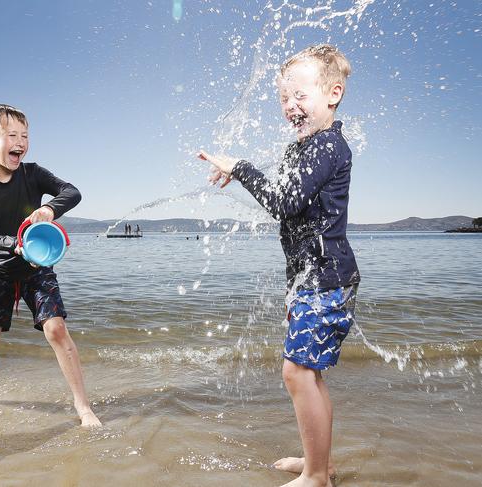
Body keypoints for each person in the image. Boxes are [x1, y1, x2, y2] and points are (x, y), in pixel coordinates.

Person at [199, 44, 360, 487]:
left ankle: (315, 477)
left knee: (296, 371)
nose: (291, 106)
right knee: (310, 373)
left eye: (300, 96)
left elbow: (284, 202)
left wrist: (243, 168)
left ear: (333, 94)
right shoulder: (309, 147)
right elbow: (288, 198)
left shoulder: (327, 145)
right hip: (317, 280)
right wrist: (242, 171)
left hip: (325, 280)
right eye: (284, 98)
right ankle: (320, 464)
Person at [0, 104, 101, 427]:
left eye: (25, 135)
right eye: (12, 135)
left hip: (38, 267)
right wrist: (16, 244)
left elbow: (73, 192)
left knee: (57, 328)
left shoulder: (34, 173)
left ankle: (83, 407)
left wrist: (51, 209)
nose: (20, 142)